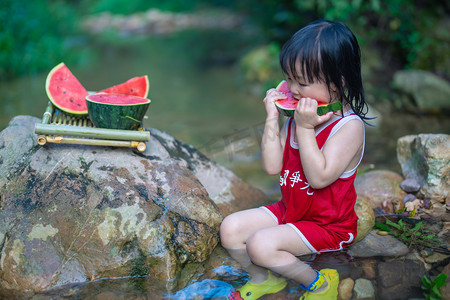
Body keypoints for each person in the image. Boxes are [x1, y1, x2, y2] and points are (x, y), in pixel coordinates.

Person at [220, 19, 370, 300]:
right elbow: (271, 167)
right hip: (291, 210)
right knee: (230, 228)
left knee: (260, 245)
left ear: (339, 82)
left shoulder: (349, 127)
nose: (293, 89)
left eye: (302, 82)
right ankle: (263, 281)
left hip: (328, 225)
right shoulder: (299, 114)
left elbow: (319, 177)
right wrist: (272, 117)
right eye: (289, 79)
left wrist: (304, 127)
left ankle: (319, 284)